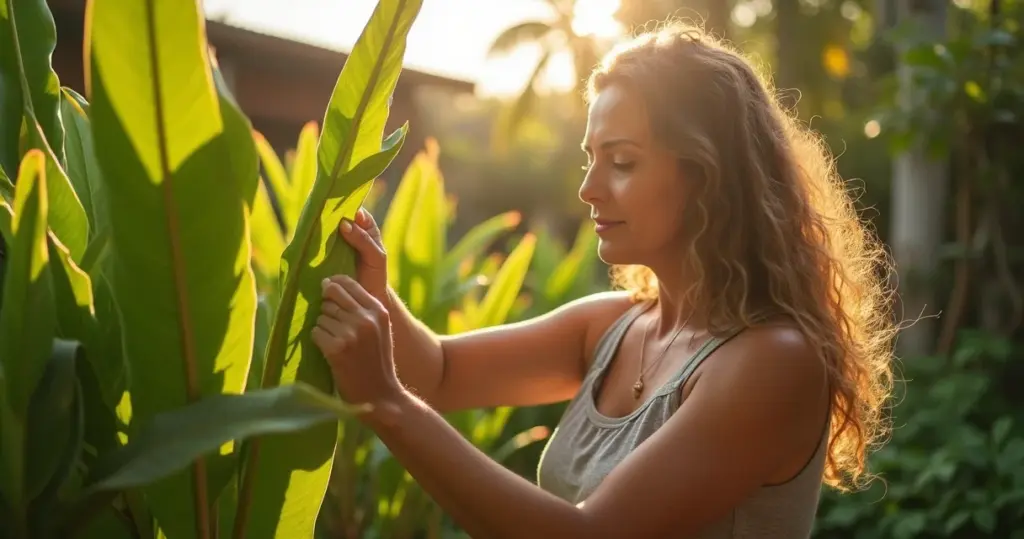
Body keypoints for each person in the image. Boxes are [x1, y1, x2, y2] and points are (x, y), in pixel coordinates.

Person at [310, 21, 896, 539]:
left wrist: (384, 403)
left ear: (706, 175)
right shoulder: (613, 326)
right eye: (591, 158)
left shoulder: (772, 362)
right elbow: (439, 373)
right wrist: (372, 287)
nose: (589, 189)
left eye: (622, 162)